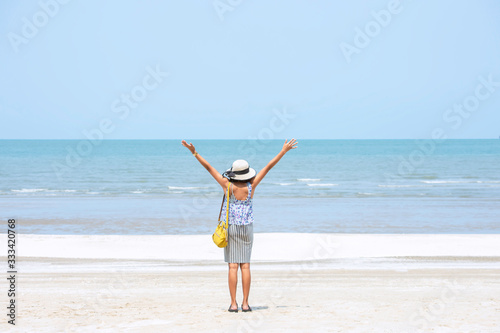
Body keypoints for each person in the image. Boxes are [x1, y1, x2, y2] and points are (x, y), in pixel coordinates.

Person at [181, 138, 298, 313]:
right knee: (246, 265)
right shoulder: (252, 186)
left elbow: (209, 168)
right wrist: (283, 151)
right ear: (247, 173)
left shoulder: (226, 185)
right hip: (247, 228)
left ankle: (233, 304)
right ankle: (245, 304)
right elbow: (268, 167)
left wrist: (194, 152)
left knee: (232, 266)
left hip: (232, 228)